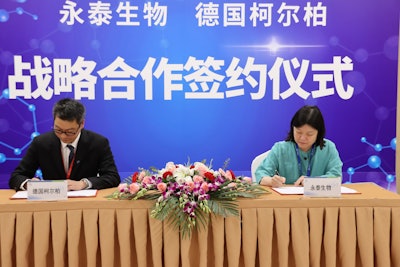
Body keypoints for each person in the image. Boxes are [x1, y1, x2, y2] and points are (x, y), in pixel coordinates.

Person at [9, 98, 121, 191]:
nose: (63, 136)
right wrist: (29, 184)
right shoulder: (41, 142)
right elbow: (16, 177)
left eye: (70, 132)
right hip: (51, 203)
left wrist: (84, 184)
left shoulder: (98, 142)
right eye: (58, 130)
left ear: (82, 124)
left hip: (84, 203)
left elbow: (112, 177)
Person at [255, 105, 343, 187]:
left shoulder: (328, 148)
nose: (303, 138)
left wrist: (312, 181)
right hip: (287, 202)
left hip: (319, 200)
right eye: (298, 132)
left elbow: (336, 177)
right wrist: (271, 181)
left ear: (318, 133)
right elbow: (261, 174)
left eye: (309, 134)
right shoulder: (280, 149)